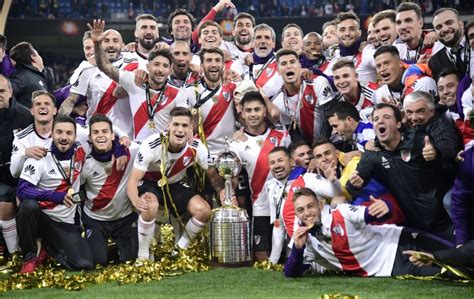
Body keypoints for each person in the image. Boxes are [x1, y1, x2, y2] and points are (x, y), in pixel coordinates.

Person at [126, 107, 225, 260]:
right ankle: (144, 256)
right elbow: (133, 180)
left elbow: (213, 176)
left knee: (203, 210)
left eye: (185, 126)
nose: (180, 130)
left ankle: (179, 250)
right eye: (176, 124)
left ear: (191, 129)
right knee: (149, 205)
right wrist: (136, 200)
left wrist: (222, 191)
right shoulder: (152, 144)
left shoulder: (198, 148)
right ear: (168, 126)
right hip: (151, 183)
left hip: (175, 184)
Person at [284, 188, 448, 277]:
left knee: (454, 254)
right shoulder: (303, 238)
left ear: (320, 205)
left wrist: (384, 208)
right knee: (447, 274)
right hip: (390, 268)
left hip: (399, 241)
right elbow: (290, 273)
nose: (307, 213)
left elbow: (369, 215)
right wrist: (298, 250)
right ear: (297, 214)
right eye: (301, 210)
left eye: (310, 206)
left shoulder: (341, 212)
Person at [346, 104, 453, 239]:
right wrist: (354, 184)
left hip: (443, 220)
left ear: (398, 123)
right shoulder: (373, 155)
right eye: (376, 119)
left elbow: (450, 154)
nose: (380, 121)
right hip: (413, 226)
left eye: (386, 117)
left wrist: (437, 153)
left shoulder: (419, 141)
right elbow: (354, 185)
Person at [16, 115, 94, 273]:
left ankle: (48, 248)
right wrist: (53, 196)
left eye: (68, 133)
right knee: (27, 206)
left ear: (75, 136)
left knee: (84, 264)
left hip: (66, 223)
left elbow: (106, 136)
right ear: (52, 133)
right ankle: (29, 257)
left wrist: (120, 148)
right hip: (42, 218)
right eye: (59, 132)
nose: (64, 137)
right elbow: (22, 190)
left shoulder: (81, 152)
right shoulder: (40, 157)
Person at [90, 19, 189, 141]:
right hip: (138, 148)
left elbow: (185, 123)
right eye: (156, 64)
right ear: (147, 67)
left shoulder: (178, 93)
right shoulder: (135, 82)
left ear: (170, 70)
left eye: (165, 66)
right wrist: (97, 44)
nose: (160, 69)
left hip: (166, 149)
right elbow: (105, 67)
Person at [230, 91, 291, 261]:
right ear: (241, 112)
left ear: (265, 111)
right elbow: (232, 179)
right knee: (262, 258)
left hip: (287, 204)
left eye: (257, 109)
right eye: (248, 110)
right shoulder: (236, 144)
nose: (253, 114)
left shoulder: (282, 137)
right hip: (261, 207)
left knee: (290, 253)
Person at [80, 114, 138, 265]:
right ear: (90, 137)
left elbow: (154, 145)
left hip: (124, 218)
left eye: (105, 131)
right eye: (96, 132)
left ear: (113, 135)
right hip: (95, 220)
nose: (100, 136)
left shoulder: (130, 152)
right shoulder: (84, 164)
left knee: (130, 261)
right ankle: (104, 248)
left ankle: (116, 248)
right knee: (97, 262)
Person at [272, 48, 335, 143]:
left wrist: (319, 145)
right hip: (308, 150)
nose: (289, 66)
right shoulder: (278, 102)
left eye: (292, 62)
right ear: (278, 70)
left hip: (333, 141)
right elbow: (292, 132)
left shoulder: (318, 82)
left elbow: (329, 115)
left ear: (299, 66)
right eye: (284, 63)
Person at [186, 47, 238, 158]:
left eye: (217, 60)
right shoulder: (189, 91)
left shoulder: (234, 87)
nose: (214, 64)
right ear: (201, 66)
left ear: (223, 65)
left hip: (230, 152)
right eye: (209, 60)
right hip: (200, 153)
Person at [0, 75, 32, 257]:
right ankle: (10, 250)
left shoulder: (25, 117)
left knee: (9, 200)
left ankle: (20, 252)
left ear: (11, 92)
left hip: (23, 177)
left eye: (2, 91)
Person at [264, 147, 305, 264]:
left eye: (280, 160)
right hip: (293, 246)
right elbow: (278, 224)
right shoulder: (271, 187)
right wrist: (272, 262)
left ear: (291, 162)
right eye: (272, 163)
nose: (276, 165)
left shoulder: (304, 179)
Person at [373, 45, 437, 108]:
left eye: (386, 63)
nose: (382, 69)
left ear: (400, 63)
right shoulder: (380, 94)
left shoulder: (422, 83)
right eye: (378, 66)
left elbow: (426, 115)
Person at [9, 42, 54, 108]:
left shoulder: (39, 76)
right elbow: (5, 97)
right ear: (33, 57)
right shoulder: (21, 77)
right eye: (38, 54)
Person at [245, 24, 283, 99]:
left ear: (273, 44)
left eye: (267, 37)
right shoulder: (242, 63)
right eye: (258, 37)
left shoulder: (282, 62)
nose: (263, 41)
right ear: (252, 43)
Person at [429, 8, 467, 81]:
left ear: (461, 24)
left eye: (449, 23)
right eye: (439, 27)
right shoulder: (435, 62)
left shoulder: (472, 46)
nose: (445, 29)